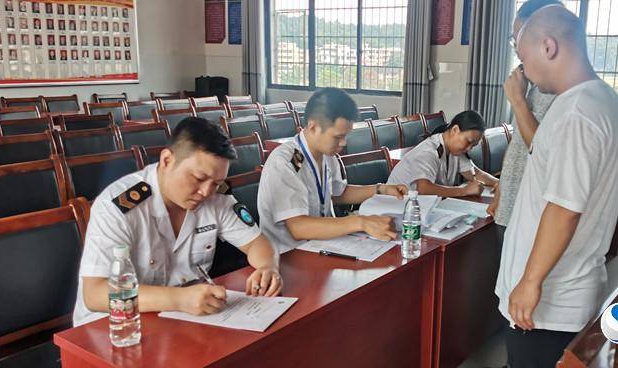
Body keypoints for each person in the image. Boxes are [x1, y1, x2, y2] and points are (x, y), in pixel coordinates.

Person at [494, 5, 618, 368]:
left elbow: (564, 209)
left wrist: (529, 281)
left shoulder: (578, 113)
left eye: (524, 57)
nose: (524, 71)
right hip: (563, 290)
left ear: (549, 47)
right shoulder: (597, 101)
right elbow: (547, 156)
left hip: (551, 301)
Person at [74, 118, 283, 326]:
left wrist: (267, 267)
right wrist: (178, 299)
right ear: (167, 160)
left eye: (216, 183)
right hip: (117, 326)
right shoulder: (119, 206)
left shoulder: (215, 198)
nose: (206, 192)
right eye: (199, 178)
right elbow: (95, 294)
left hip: (181, 320)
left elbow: (257, 242)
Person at [257, 88, 407, 253]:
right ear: (313, 127)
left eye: (345, 136)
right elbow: (298, 227)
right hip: (289, 255)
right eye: (337, 137)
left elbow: (337, 193)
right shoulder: (288, 161)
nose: (343, 143)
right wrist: (361, 222)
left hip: (324, 246)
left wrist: (381, 189)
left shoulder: (327, 155)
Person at [487, 0, 560, 240]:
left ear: (547, 42)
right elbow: (519, 140)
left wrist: (517, 101)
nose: (517, 50)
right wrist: (501, 187)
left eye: (519, 40)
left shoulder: (564, 94)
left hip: (533, 212)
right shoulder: (534, 85)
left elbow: (544, 151)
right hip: (511, 203)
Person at [387, 110, 498, 197]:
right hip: (398, 205)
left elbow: (475, 174)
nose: (469, 148)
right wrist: (463, 191)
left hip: (423, 206)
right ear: (455, 130)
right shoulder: (428, 152)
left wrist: (499, 184)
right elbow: (423, 189)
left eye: (473, 146)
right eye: (468, 142)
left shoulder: (456, 151)